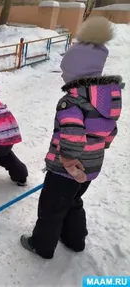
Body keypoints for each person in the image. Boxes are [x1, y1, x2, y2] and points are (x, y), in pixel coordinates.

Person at [20, 16, 124, 259]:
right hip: (90, 166)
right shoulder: (108, 97)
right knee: (74, 202)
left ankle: (42, 245)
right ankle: (74, 240)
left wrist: (68, 161)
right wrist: (100, 147)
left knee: (52, 208)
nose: (62, 76)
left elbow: (72, 134)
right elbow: (110, 130)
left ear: (76, 71)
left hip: (67, 168)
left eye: (65, 71)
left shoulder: (72, 100)